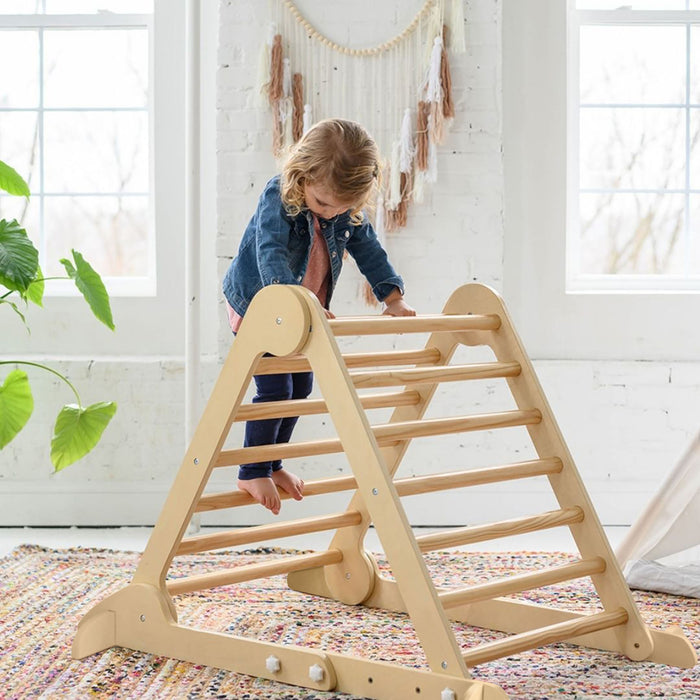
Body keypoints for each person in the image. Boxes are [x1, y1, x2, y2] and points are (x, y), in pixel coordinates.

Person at [222, 118, 415, 515]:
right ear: (301, 175)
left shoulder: (342, 208)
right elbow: (269, 250)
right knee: (275, 391)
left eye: (343, 207)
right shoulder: (279, 195)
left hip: (301, 312)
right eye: (325, 204)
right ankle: (251, 469)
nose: (333, 214)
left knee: (300, 389)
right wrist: (294, 299)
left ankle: (272, 463)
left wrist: (391, 297)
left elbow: (370, 250)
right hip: (263, 306)